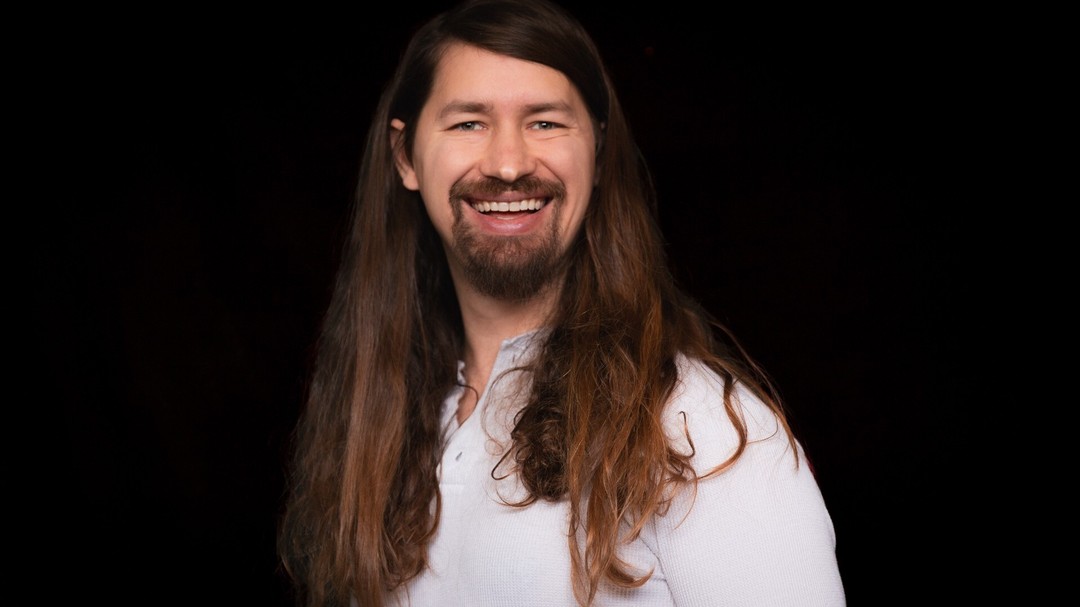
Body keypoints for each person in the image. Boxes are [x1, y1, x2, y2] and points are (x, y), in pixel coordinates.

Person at [278, 0, 846, 605]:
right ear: (405, 157)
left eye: (545, 123)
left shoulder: (698, 428)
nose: (508, 164)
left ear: (597, 150)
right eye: (468, 123)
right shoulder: (383, 423)